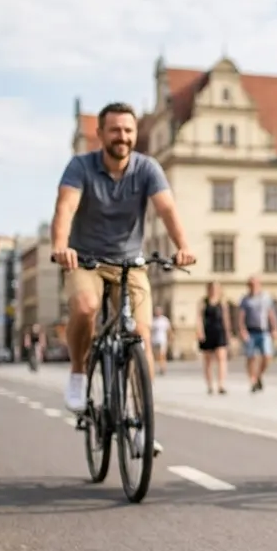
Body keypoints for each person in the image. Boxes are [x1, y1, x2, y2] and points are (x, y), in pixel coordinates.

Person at [51, 101, 197, 456]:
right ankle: (77, 373)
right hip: (85, 260)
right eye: (115, 130)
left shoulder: (147, 168)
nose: (123, 137)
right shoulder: (81, 166)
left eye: (129, 130)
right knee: (85, 307)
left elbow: (166, 209)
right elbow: (66, 207)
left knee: (139, 335)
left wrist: (183, 246)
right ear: (100, 134)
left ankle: (139, 425)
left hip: (130, 262)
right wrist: (60, 245)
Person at [237, 275, 277, 392]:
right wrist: (242, 330)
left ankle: (259, 375)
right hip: (250, 331)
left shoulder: (266, 298)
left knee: (267, 356)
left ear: (259, 285)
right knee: (251, 357)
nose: (253, 287)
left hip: (264, 331)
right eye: (251, 284)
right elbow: (241, 317)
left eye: (255, 284)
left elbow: (271, 314)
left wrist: (274, 328)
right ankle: (253, 381)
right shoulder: (245, 300)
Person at [197, 282, 231, 395]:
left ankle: (221, 384)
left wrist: (228, 333)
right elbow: (199, 318)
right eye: (212, 288)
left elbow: (226, 319)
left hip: (219, 332)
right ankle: (210, 385)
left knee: (222, 358)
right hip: (207, 332)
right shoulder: (203, 302)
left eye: (217, 288)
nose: (214, 290)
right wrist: (200, 331)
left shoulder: (222, 302)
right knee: (208, 361)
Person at [149, 306, 172, 375]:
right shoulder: (153, 320)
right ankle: (154, 368)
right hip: (154, 340)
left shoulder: (164, 320)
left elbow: (169, 330)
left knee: (162, 355)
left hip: (162, 340)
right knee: (155, 355)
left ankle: (163, 367)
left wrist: (170, 338)